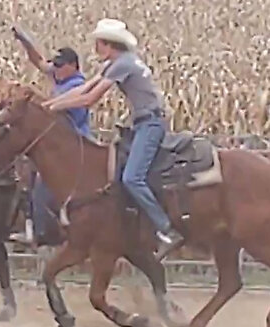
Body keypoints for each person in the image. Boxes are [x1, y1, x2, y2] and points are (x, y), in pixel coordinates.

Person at [42, 18, 185, 257]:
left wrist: (53, 109)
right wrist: (50, 105)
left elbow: (89, 99)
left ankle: (167, 229)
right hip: (143, 123)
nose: (96, 48)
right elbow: (83, 89)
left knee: (132, 178)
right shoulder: (119, 63)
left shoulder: (122, 64)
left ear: (109, 45)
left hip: (150, 124)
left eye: (98, 43)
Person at [11, 27, 94, 246]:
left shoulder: (77, 85)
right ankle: (32, 223)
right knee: (26, 176)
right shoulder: (60, 79)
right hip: (56, 145)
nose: (54, 69)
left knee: (43, 184)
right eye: (55, 64)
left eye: (59, 65)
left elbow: (58, 114)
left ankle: (42, 231)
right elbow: (39, 61)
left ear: (72, 66)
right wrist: (26, 40)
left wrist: (37, 100)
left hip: (72, 145)